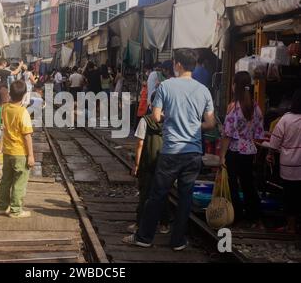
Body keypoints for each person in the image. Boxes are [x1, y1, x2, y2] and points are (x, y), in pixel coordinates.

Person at [123, 49, 216, 251]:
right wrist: (193, 125)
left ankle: (144, 237)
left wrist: (172, 118)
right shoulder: (204, 91)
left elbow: (155, 117)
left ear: (179, 65)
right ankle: (178, 241)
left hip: (171, 150)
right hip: (193, 153)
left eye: (174, 62)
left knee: (157, 195)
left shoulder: (165, 86)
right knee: (185, 198)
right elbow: (210, 123)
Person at [220, 71, 265, 227]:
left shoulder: (233, 107)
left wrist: (222, 156)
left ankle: (237, 215)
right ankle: (253, 215)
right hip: (249, 150)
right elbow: (259, 133)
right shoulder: (256, 107)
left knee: (233, 184)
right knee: (248, 184)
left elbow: (227, 134)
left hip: (234, 150)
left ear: (235, 86)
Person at [129, 92, 170, 235]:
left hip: (147, 163)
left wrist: (136, 164)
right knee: (163, 194)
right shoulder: (169, 121)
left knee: (144, 194)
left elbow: (140, 144)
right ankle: (164, 224)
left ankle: (139, 223)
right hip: (164, 163)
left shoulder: (145, 120)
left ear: (151, 105)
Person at [0, 80, 35, 218]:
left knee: (6, 180)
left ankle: (2, 206)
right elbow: (27, 136)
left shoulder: (5, 108)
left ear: (10, 93)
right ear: (24, 95)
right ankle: (16, 210)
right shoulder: (23, 112)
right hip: (20, 152)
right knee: (19, 182)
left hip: (7, 152)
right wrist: (30, 155)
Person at [267, 89, 301, 234]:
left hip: (288, 167)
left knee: (289, 197)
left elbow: (274, 143)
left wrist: (270, 154)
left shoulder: (285, 120)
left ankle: (291, 227)